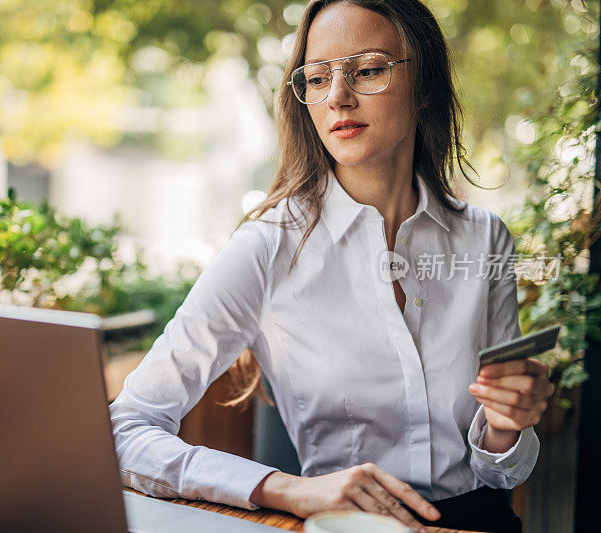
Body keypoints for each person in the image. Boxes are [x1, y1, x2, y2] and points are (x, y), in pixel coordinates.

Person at [108, 1, 554, 532]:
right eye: (317, 78)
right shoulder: (267, 248)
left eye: (367, 70)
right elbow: (125, 429)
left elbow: (502, 472)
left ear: (426, 85)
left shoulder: (485, 238)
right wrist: (286, 490)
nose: (338, 96)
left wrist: (506, 424)